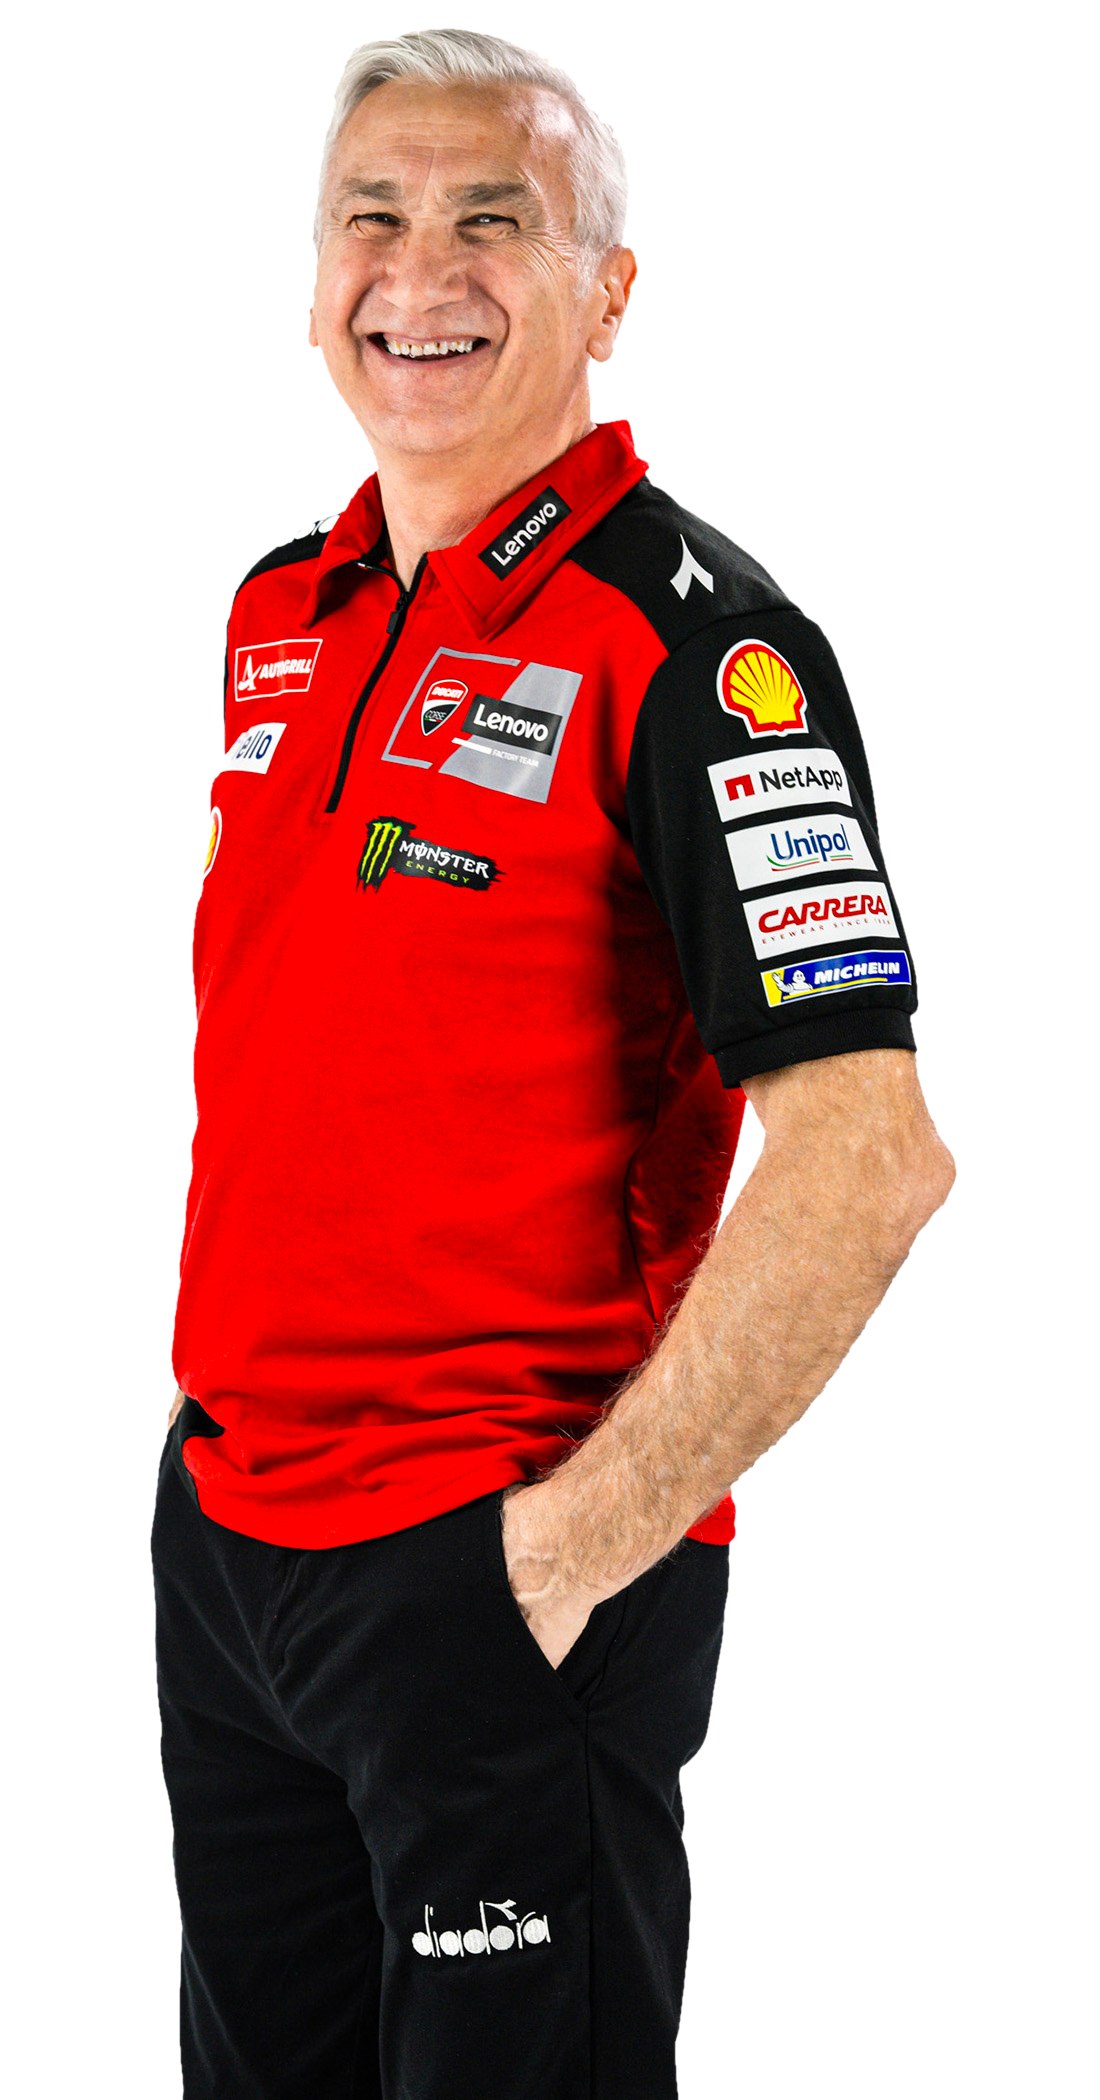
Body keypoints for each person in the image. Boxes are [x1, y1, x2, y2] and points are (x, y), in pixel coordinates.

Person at [152, 26, 956, 2099]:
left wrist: (562, 1554)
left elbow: (870, 1159)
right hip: (231, 1553)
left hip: (496, 1573)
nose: (418, 273)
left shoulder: (700, 648)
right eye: (373, 218)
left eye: (491, 222)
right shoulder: (282, 611)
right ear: (310, 282)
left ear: (607, 293)